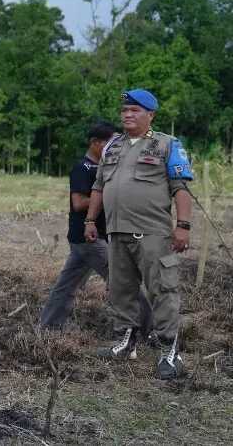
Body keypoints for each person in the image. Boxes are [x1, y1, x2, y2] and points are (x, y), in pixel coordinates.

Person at [84, 89, 192, 380]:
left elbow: (180, 188)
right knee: (120, 290)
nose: (128, 115)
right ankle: (125, 342)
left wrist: (183, 225)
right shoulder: (113, 146)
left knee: (162, 291)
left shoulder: (167, 144)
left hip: (153, 234)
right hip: (117, 232)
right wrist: (91, 220)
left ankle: (170, 350)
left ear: (150, 115)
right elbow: (98, 187)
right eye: (125, 110)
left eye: (135, 110)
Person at [40, 121, 154, 336]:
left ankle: (49, 328)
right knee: (124, 280)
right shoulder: (83, 168)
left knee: (67, 285)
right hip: (89, 239)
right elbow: (79, 203)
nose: (115, 149)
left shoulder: (107, 168)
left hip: (91, 238)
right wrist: (108, 195)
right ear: (94, 143)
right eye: (110, 143)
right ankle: (151, 329)